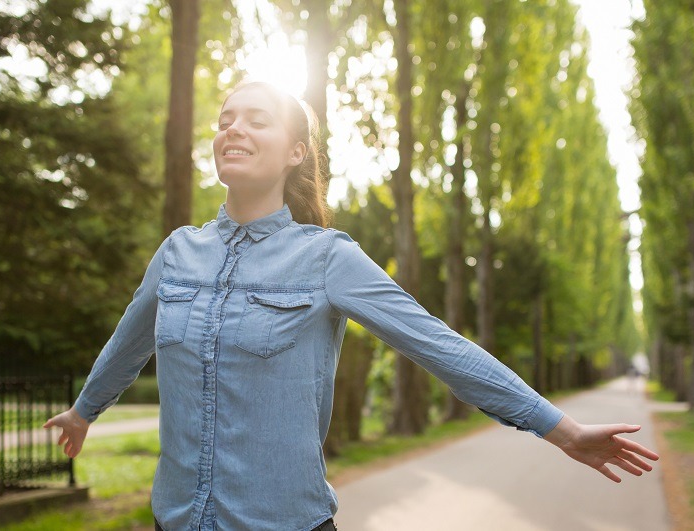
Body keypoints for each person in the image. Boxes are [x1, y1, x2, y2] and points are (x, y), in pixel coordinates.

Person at [43, 80, 659, 531]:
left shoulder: (327, 258)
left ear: (296, 153)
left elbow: (440, 346)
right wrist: (83, 411)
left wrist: (562, 429)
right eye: (226, 118)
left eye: (256, 119)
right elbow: (130, 342)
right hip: (175, 522)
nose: (232, 127)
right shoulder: (178, 253)